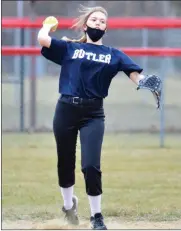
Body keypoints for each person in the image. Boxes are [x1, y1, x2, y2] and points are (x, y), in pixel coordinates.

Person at [37, 5, 146, 230]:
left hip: (93, 114)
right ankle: (69, 207)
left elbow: (135, 74)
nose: (98, 23)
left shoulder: (113, 54)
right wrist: (47, 25)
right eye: (94, 20)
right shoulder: (69, 48)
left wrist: (146, 83)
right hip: (66, 109)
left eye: (102, 22)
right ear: (86, 25)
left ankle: (96, 216)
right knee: (65, 162)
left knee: (90, 165)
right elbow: (43, 39)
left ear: (106, 29)